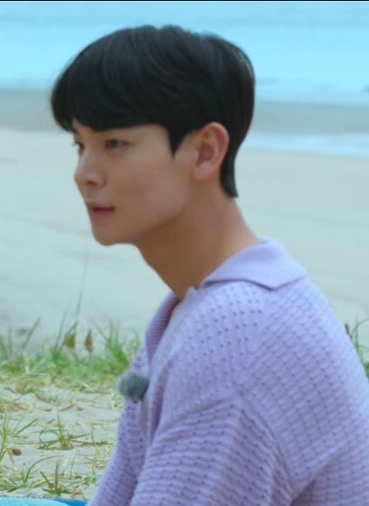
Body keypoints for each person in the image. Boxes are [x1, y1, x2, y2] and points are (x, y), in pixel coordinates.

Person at [50, 25, 369, 504]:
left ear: (205, 151)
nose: (84, 173)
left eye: (114, 144)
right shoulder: (196, 308)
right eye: (80, 144)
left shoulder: (238, 336)